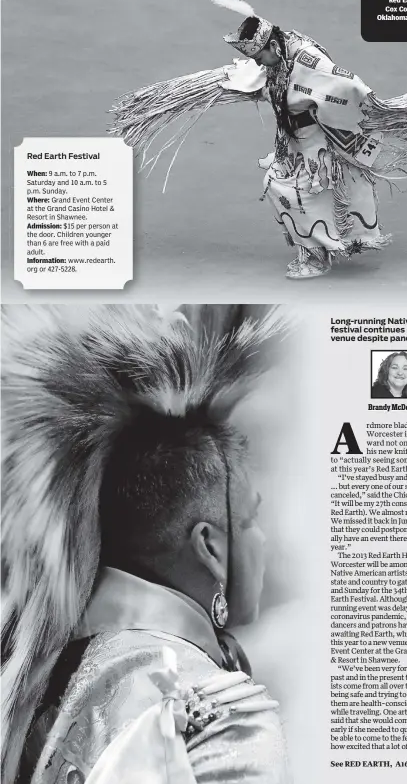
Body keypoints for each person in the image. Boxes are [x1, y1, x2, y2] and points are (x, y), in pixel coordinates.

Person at [1, 305, 291, 784]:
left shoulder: (43, 689)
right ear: (211, 549)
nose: (264, 540)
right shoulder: (224, 719)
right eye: (251, 520)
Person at [110, 0, 407, 281]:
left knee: (297, 193)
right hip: (293, 139)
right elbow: (264, 78)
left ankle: (320, 256)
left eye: (261, 56)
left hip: (315, 140)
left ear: (273, 45)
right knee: (281, 188)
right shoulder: (279, 55)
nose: (259, 63)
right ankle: (324, 249)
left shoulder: (309, 59)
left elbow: (344, 86)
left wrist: (381, 110)